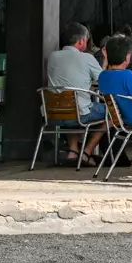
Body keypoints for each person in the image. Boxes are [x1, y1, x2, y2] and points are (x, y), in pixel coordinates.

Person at [46, 22, 105, 165]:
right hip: (80, 113)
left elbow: (69, 81)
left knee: (70, 105)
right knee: (114, 112)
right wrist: (106, 61)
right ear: (81, 41)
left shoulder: (52, 57)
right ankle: (87, 152)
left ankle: (73, 151)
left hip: (55, 113)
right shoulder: (87, 58)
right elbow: (105, 81)